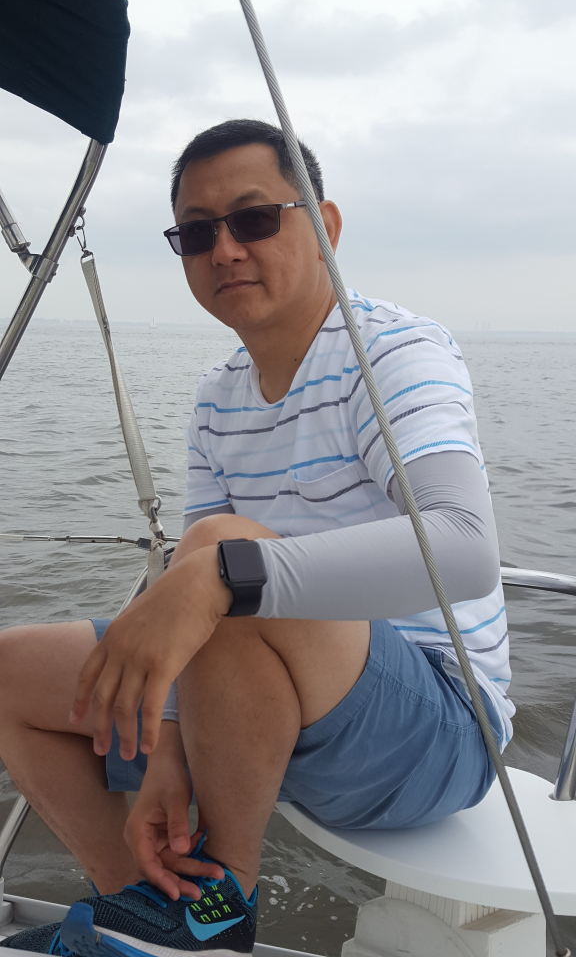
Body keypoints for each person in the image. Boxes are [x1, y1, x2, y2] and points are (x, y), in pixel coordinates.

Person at [0, 119, 513, 957]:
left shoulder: (394, 353)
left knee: (222, 563)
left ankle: (217, 917)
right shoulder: (218, 397)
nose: (225, 249)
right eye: (197, 233)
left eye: (253, 219)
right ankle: (145, 908)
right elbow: (200, 585)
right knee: (11, 675)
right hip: (263, 689)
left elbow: (463, 549)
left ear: (327, 226)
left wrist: (214, 577)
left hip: (438, 729)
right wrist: (166, 741)